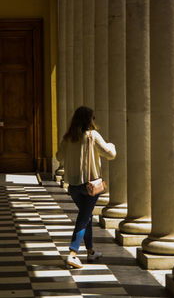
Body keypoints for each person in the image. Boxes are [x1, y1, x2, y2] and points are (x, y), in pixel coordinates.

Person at [56, 106, 116, 268]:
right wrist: (111, 145)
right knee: (83, 218)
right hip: (90, 185)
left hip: (73, 186)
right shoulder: (92, 136)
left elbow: (58, 156)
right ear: (90, 120)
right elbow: (110, 154)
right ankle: (72, 253)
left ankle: (90, 251)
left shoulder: (67, 138)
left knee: (86, 216)